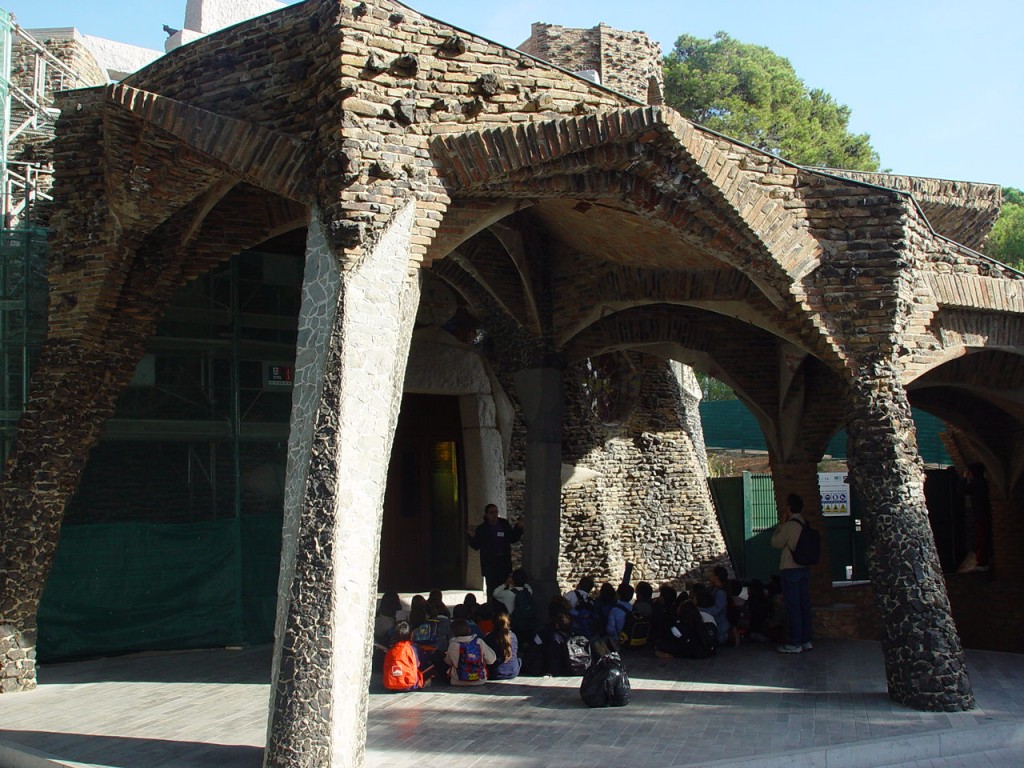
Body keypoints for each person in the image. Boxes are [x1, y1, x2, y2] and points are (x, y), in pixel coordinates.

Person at [771, 493, 813, 654]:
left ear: (789, 507)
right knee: (804, 605)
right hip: (804, 568)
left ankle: (795, 642)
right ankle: (806, 640)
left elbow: (776, 542)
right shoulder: (805, 523)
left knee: (793, 606)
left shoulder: (790, 525)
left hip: (790, 568)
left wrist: (781, 524)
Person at [467, 503, 525, 600]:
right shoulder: (482, 529)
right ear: (486, 515)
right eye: (491, 513)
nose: (494, 515)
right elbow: (476, 545)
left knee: (504, 590)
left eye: (496, 512)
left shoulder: (504, 524)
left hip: (503, 563)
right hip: (490, 566)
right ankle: (492, 611)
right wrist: (472, 536)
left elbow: (512, 537)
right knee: (492, 591)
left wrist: (519, 527)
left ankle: (503, 612)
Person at [960, 463, 993, 571]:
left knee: (981, 537)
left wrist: (964, 478)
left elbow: (962, 490)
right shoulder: (984, 483)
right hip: (985, 513)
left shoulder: (976, 483)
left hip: (980, 514)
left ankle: (982, 562)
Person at [445, 618, 496, 686]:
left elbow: (448, 661)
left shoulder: (453, 644)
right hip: (480, 680)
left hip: (458, 680)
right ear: (469, 629)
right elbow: (491, 660)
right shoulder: (479, 642)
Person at [382, 621, 431, 691]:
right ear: (411, 635)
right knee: (430, 666)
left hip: (390, 684)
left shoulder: (391, 649)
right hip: (410, 684)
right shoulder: (413, 648)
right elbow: (423, 662)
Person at [483, 607, 521, 680]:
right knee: (519, 658)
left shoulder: (488, 638)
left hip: (495, 673)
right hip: (513, 672)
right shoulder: (513, 636)